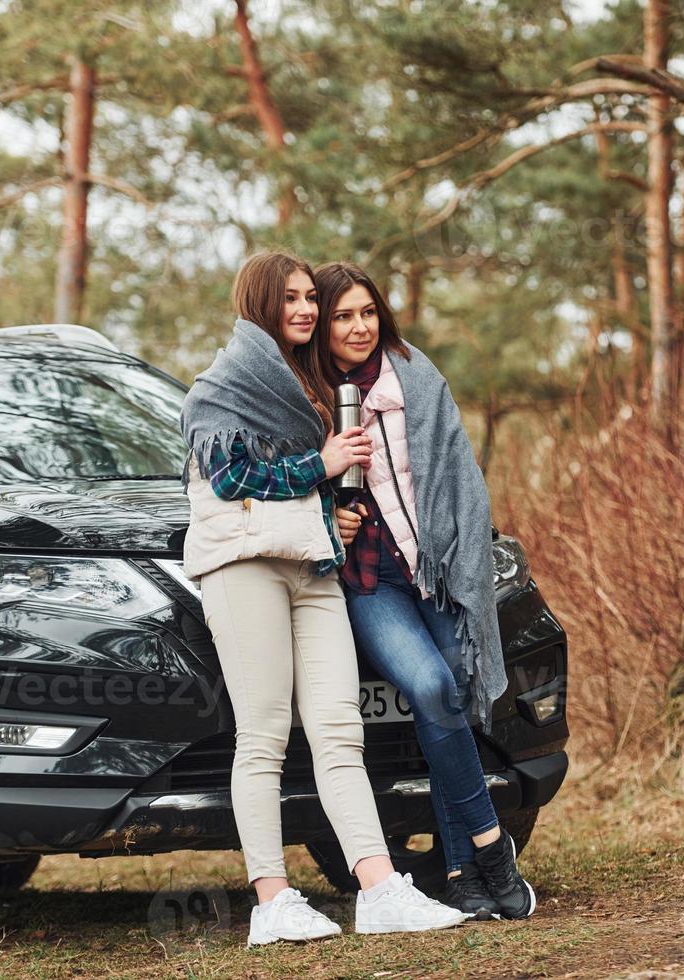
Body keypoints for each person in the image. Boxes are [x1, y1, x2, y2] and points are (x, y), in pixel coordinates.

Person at [181, 250, 468, 945]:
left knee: (341, 729)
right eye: (291, 300)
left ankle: (378, 890)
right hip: (246, 565)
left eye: (311, 297)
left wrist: (336, 511)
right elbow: (229, 477)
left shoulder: (312, 384)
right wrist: (322, 465)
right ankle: (272, 901)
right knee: (265, 735)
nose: (306, 310)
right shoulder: (218, 386)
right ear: (260, 305)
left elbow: (324, 483)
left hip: (312, 565)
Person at [305, 260, 537, 921]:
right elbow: (296, 478)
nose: (358, 326)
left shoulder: (415, 374)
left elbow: (461, 476)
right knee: (432, 686)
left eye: (367, 312)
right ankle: (492, 847)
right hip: (368, 581)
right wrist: (331, 515)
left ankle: (463, 875)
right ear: (323, 324)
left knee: (459, 691)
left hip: (431, 570)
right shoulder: (312, 395)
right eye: (343, 315)